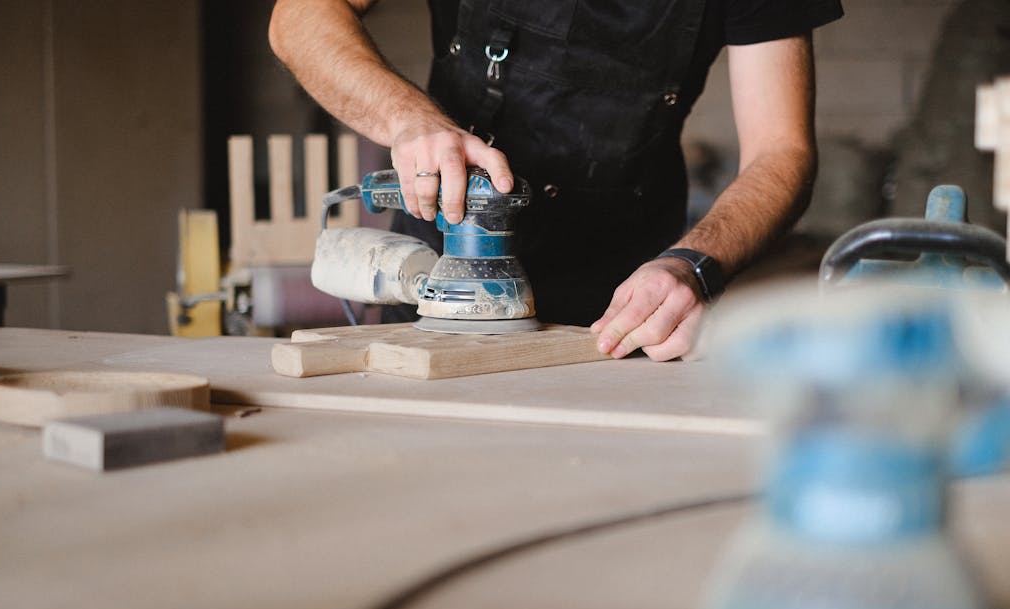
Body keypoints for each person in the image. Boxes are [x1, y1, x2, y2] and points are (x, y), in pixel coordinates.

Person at [269, 0, 843, 360]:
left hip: (623, 305)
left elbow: (782, 151)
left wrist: (692, 264)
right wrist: (408, 120)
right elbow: (299, 16)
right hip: (444, 277)